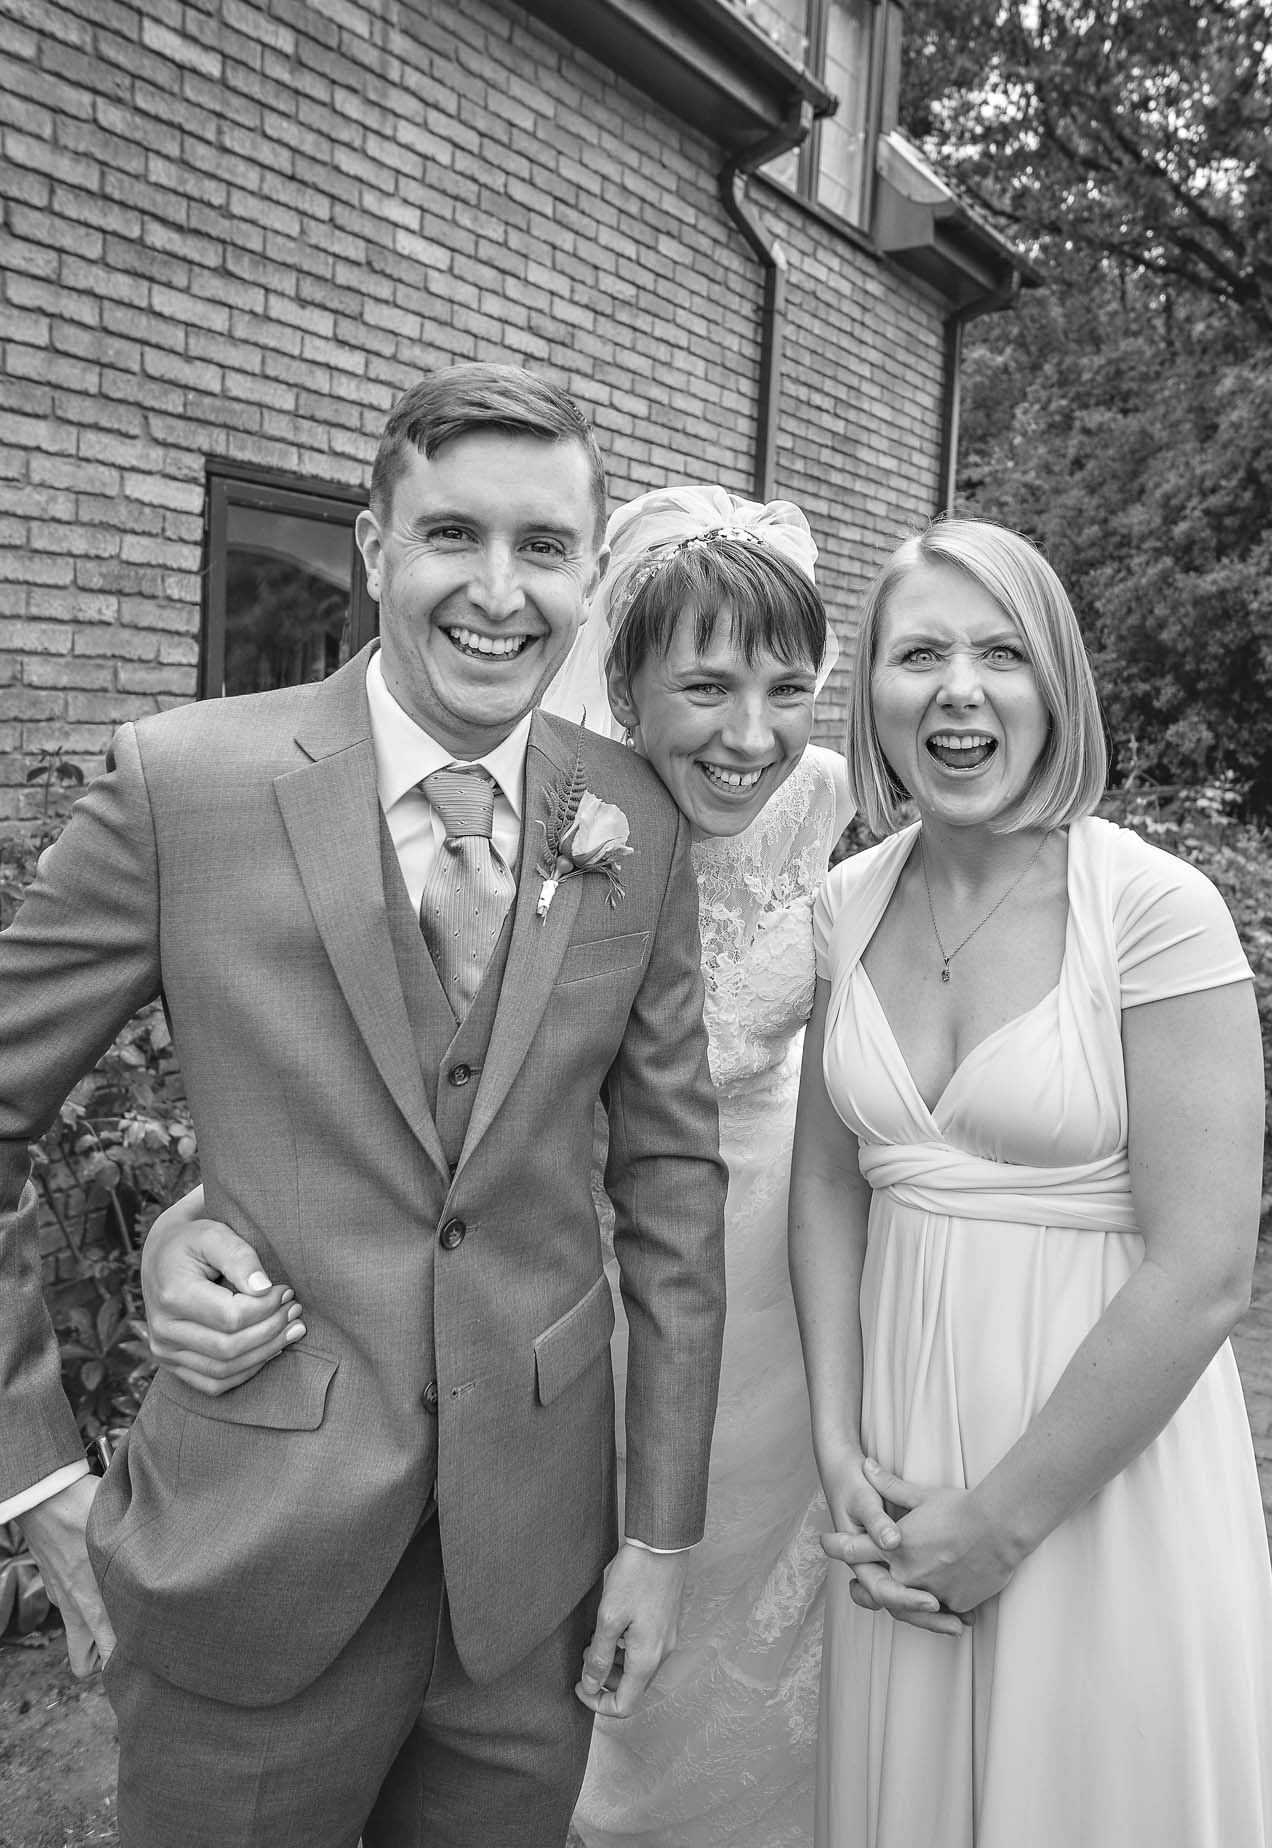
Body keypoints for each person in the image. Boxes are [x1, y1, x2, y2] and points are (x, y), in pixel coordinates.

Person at [0, 364, 729, 1848]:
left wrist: (657, 1534)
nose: (499, 590)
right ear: (371, 547)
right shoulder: (183, 787)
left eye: (544, 547)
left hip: (527, 1591)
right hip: (249, 1573)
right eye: (452, 535)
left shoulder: (631, 819)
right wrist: (36, 1479)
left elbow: (672, 1190)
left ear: (590, 573)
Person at [142, 484, 856, 1848]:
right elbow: (364, 1088)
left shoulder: (814, 797)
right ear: (624, 680)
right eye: (704, 684)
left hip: (752, 1283)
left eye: (789, 686)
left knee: (724, 1639)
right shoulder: (532, 809)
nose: (751, 731)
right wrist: (190, 1223)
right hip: (531, 1298)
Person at [789, 516, 1272, 1848]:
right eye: (920, 654)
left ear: (1056, 683)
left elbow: (1206, 1271)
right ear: (875, 696)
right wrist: (837, 1447)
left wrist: (1000, 1527)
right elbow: (829, 1188)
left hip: (1098, 1480)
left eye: (1002, 650)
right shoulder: (845, 905)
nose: (959, 686)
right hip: (899, 1470)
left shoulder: (1155, 910)